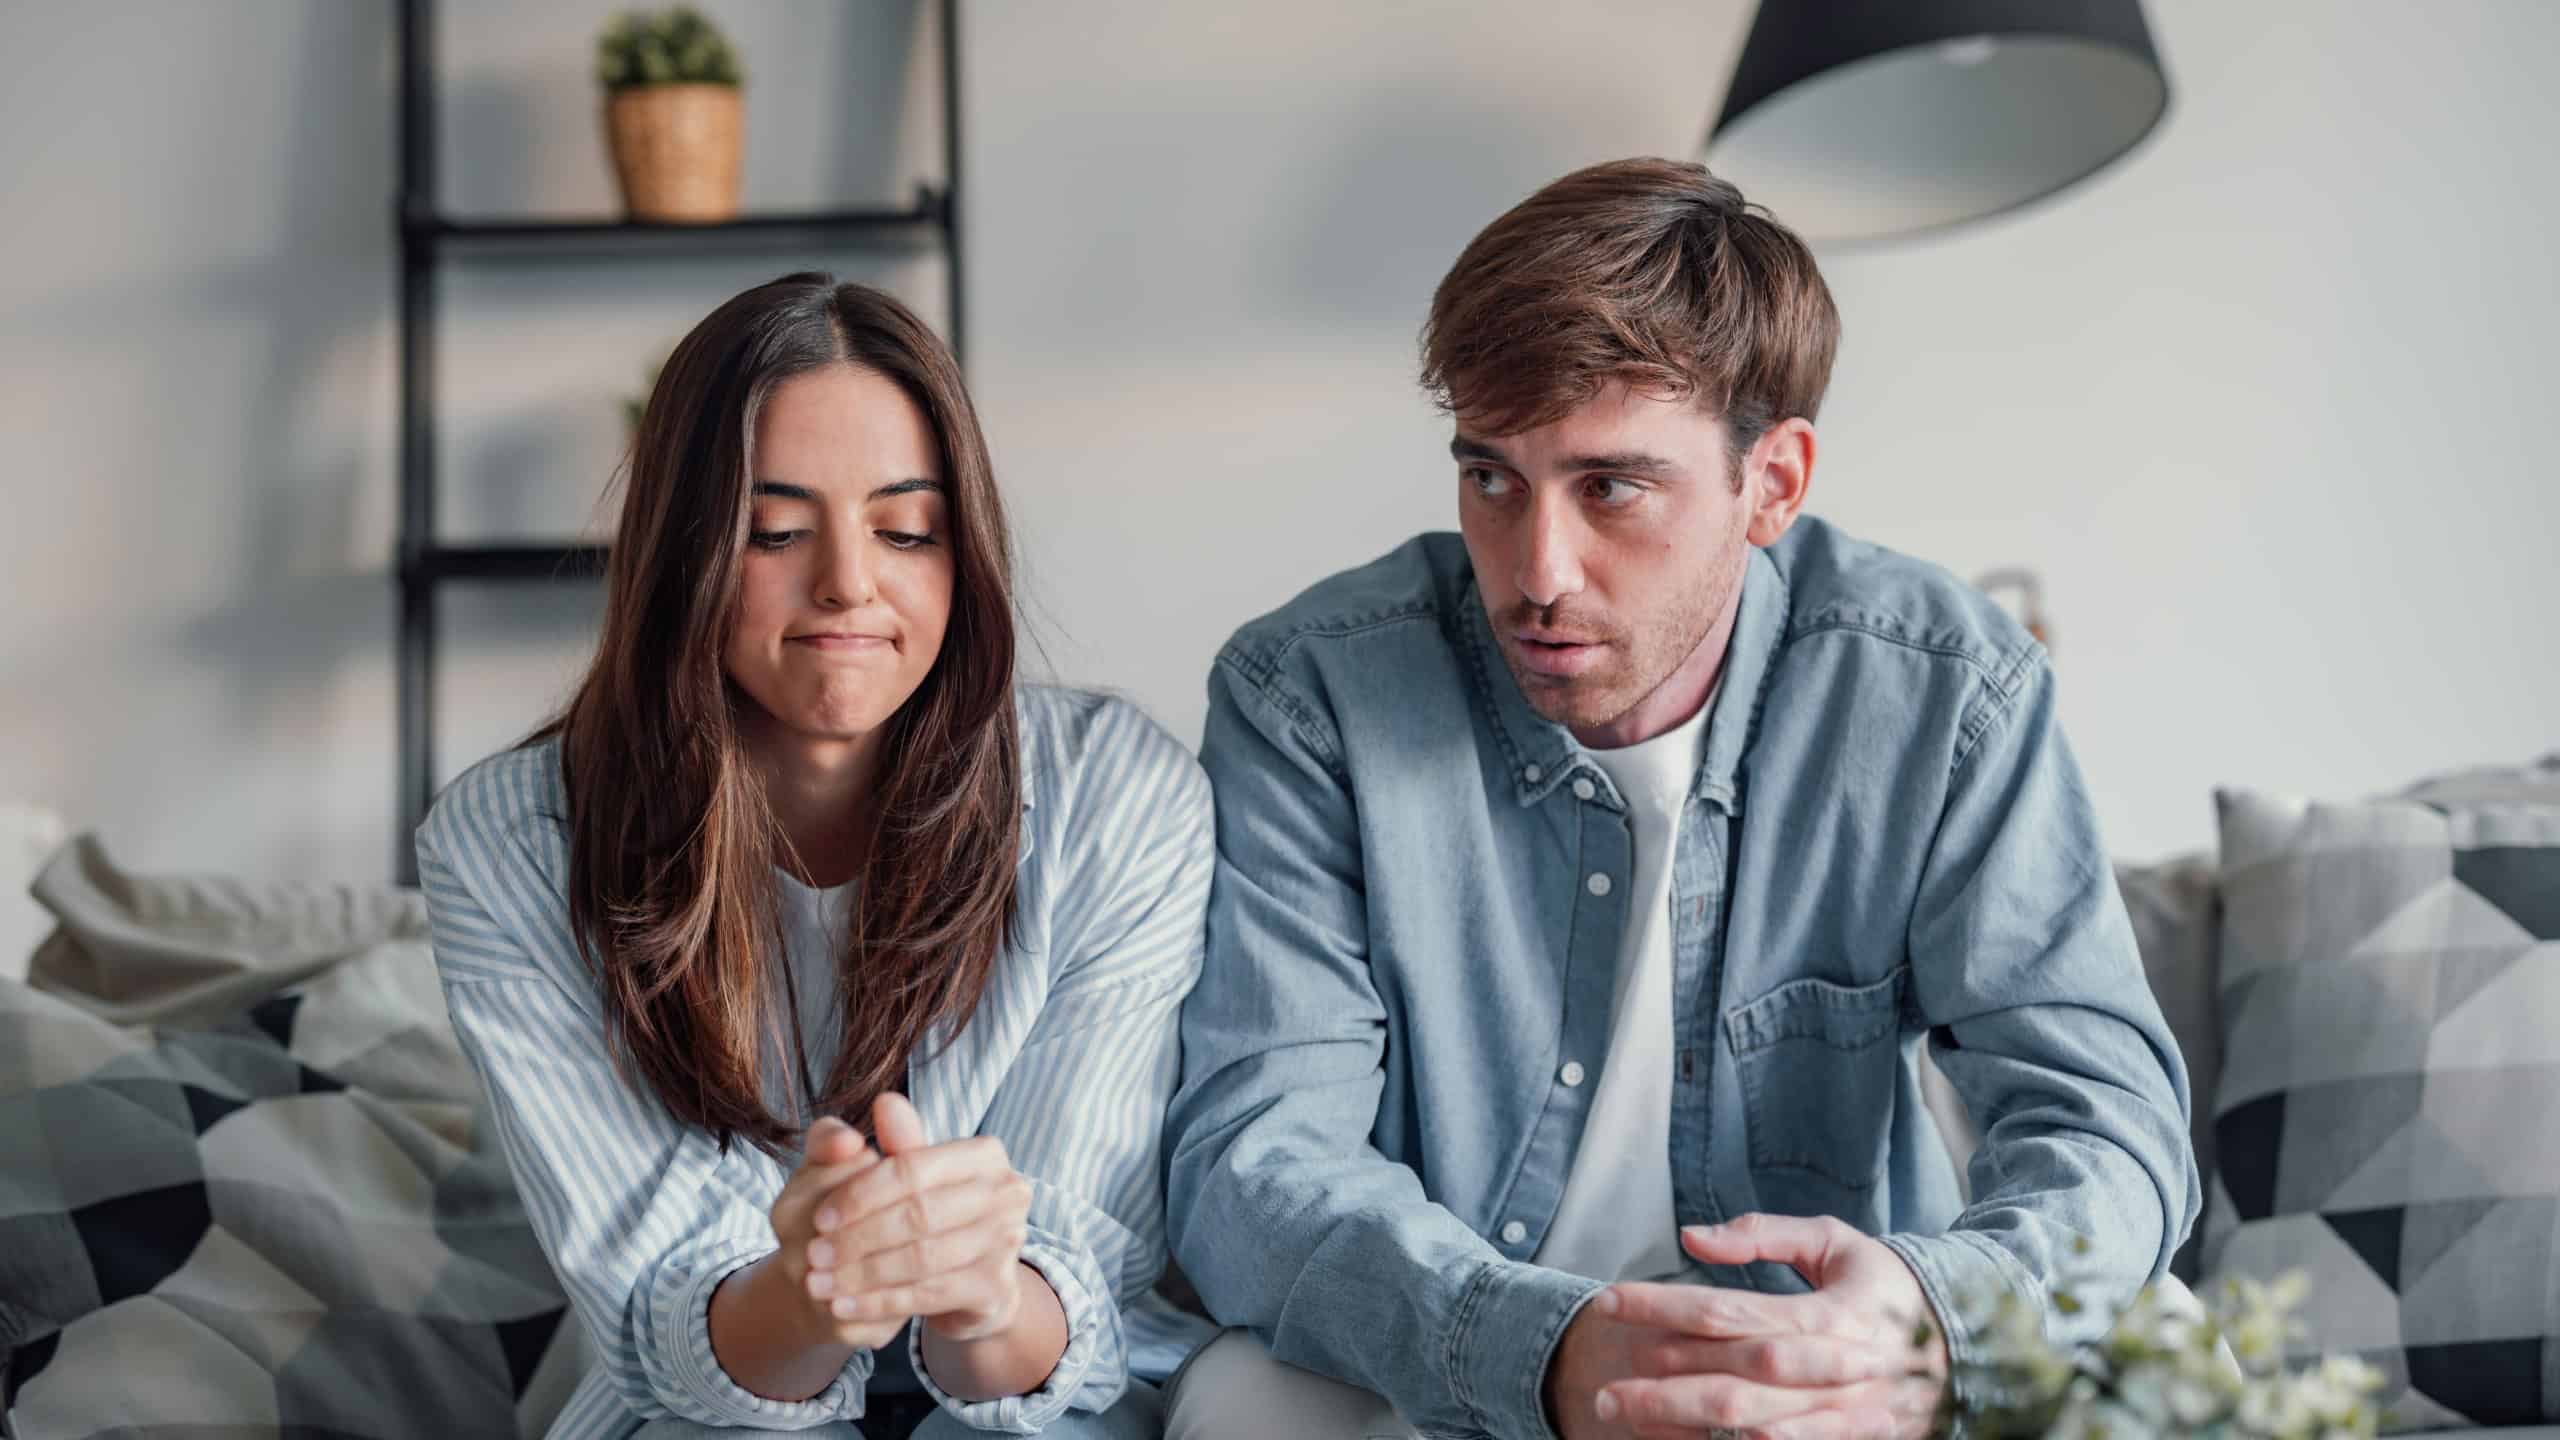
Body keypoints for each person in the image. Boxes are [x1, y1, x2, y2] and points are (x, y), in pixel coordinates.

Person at [1162, 159, 2200, 1440]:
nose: (1537, 572)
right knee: (1240, 1405)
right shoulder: (1312, 694)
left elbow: (2103, 1118)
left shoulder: (1941, 691)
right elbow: (1254, 1159)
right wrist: (1537, 1350)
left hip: (1830, 1369)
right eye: (1491, 478)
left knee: (2173, 1346)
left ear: (1771, 483)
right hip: (1443, 1365)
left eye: (1610, 488)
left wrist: (1924, 1317)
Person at [417, 275, 1211, 1439]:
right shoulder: (507, 843)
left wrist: (979, 1291)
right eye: (775, 531)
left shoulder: (1115, 795)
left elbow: (1077, 1298)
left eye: (905, 530)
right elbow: (657, 1320)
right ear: (682, 553)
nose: (848, 581)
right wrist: (812, 1290)